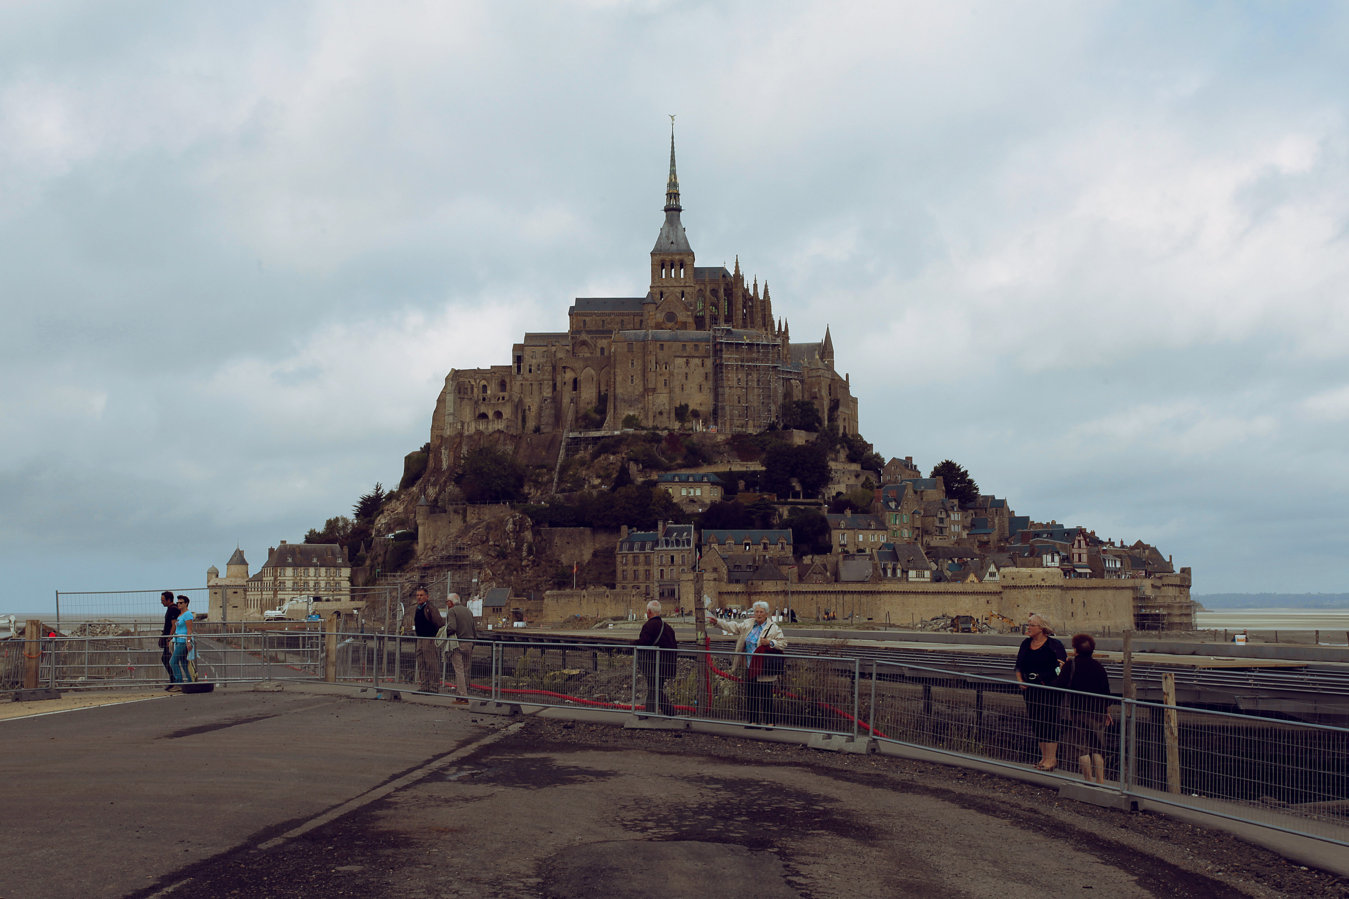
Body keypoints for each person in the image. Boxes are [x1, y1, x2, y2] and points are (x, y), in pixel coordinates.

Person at [708, 600, 787, 727]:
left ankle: (770, 722)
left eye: (761, 612)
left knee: (766, 696)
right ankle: (753, 721)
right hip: (750, 666)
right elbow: (733, 626)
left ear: (766, 614)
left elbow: (783, 643)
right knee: (751, 695)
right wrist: (718, 622)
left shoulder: (773, 628)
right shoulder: (748, 624)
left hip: (763, 667)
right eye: (756, 611)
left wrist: (770, 643)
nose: (758, 614)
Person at [1055, 633, 1114, 785]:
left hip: (1077, 711)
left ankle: (1088, 780)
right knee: (1097, 747)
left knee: (1081, 747)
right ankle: (1100, 781)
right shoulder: (1099, 667)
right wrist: (1106, 712)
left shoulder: (1071, 664)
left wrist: (1062, 670)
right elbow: (1106, 692)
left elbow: (1059, 685)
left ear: (1075, 649)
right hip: (1098, 711)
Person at [1014, 613, 1067, 770]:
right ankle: (1044, 759)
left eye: (1031, 625)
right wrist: (1020, 681)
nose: (1028, 627)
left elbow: (1061, 667)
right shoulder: (1026, 644)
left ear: (1041, 628)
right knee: (1037, 723)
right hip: (1030, 691)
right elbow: (1018, 665)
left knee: (1049, 723)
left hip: (1049, 690)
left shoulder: (1054, 645)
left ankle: (1051, 760)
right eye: (1028, 624)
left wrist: (1045, 679)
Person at [633, 599, 678, 716]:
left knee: (655, 689)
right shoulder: (668, 628)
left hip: (653, 665)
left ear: (648, 612)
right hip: (667, 665)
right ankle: (652, 713)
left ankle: (667, 713)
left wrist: (631, 644)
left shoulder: (648, 626)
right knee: (655, 688)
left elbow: (644, 643)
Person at [408, 585, 445, 693]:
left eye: (421, 595)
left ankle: (433, 687)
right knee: (421, 663)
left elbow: (439, 623)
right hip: (420, 638)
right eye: (417, 595)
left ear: (427, 597)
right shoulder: (417, 609)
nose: (419, 597)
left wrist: (435, 636)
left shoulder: (430, 608)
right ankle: (424, 686)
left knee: (431, 663)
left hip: (429, 639)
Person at [443, 592, 477, 704]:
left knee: (459, 670)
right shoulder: (468, 611)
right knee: (466, 669)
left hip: (458, 644)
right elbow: (474, 629)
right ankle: (461, 693)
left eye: (447, 602)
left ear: (451, 602)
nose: (446, 604)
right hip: (469, 643)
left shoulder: (452, 611)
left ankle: (463, 696)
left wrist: (443, 633)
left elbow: (452, 627)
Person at [167, 596, 194, 689]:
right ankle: (190, 682)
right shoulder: (180, 615)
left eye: (181, 603)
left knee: (173, 662)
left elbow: (189, 630)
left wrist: (188, 641)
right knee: (183, 663)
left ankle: (179, 682)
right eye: (178, 603)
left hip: (183, 641)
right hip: (178, 640)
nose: (179, 604)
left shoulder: (187, 614)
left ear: (186, 603)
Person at [158, 590, 179, 681]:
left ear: (169, 600)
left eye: (163, 600)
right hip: (168, 638)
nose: (161, 602)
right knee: (168, 659)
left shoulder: (173, 609)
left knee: (167, 659)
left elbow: (174, 624)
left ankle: (174, 679)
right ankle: (173, 679)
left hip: (170, 639)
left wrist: (169, 638)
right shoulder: (170, 608)